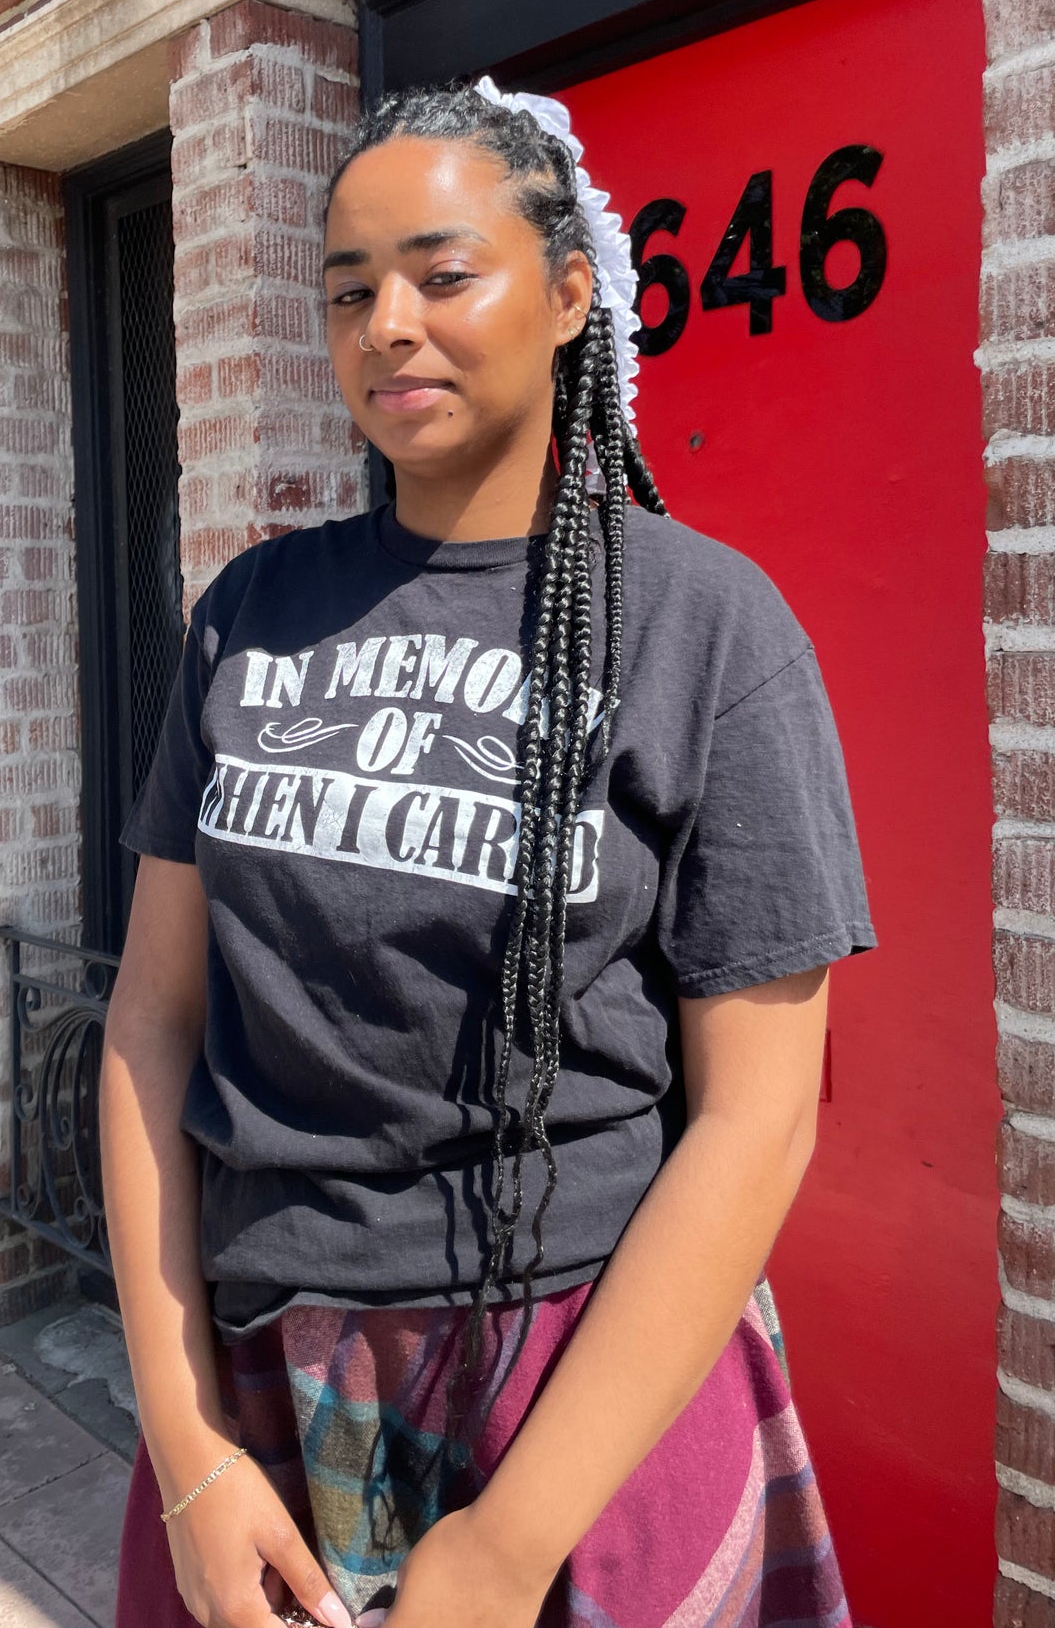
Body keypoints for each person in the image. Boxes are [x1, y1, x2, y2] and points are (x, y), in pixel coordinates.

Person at [101, 79, 876, 1628]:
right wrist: (190, 1456)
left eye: (442, 275)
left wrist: (512, 1543)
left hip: (584, 1390)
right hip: (266, 1380)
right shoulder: (250, 615)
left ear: (570, 292)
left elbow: (758, 1119)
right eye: (347, 290)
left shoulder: (705, 628)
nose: (387, 323)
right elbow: (151, 1022)